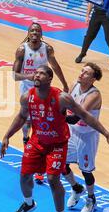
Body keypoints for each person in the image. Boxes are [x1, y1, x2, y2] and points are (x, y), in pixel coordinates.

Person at [0, 65, 109, 212]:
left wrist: (107, 134)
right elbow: (22, 116)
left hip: (58, 143)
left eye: (42, 73)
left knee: (53, 178)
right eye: (35, 73)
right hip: (38, 140)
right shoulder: (26, 97)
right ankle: (29, 203)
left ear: (50, 79)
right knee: (24, 175)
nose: (37, 75)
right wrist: (7, 136)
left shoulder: (61, 98)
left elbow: (85, 115)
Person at [13, 22, 69, 184]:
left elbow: (56, 66)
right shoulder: (22, 50)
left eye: (38, 30)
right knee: (28, 123)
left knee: (43, 125)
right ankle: (26, 143)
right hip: (27, 90)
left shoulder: (48, 49)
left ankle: (40, 168)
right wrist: (28, 77)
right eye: (32, 30)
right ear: (28, 32)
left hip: (44, 90)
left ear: (41, 33)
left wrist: (64, 84)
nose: (35, 32)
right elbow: (14, 75)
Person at [63, 62, 103, 212]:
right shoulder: (74, 84)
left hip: (87, 136)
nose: (81, 74)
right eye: (82, 70)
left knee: (86, 170)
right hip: (71, 132)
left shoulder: (94, 94)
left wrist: (53, 116)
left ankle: (91, 198)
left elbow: (75, 116)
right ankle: (76, 188)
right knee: (61, 164)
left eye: (86, 73)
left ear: (92, 79)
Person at [75, 3, 109, 70]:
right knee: (89, 36)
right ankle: (82, 54)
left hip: (107, 15)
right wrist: (87, 16)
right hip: (96, 14)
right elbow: (90, 2)